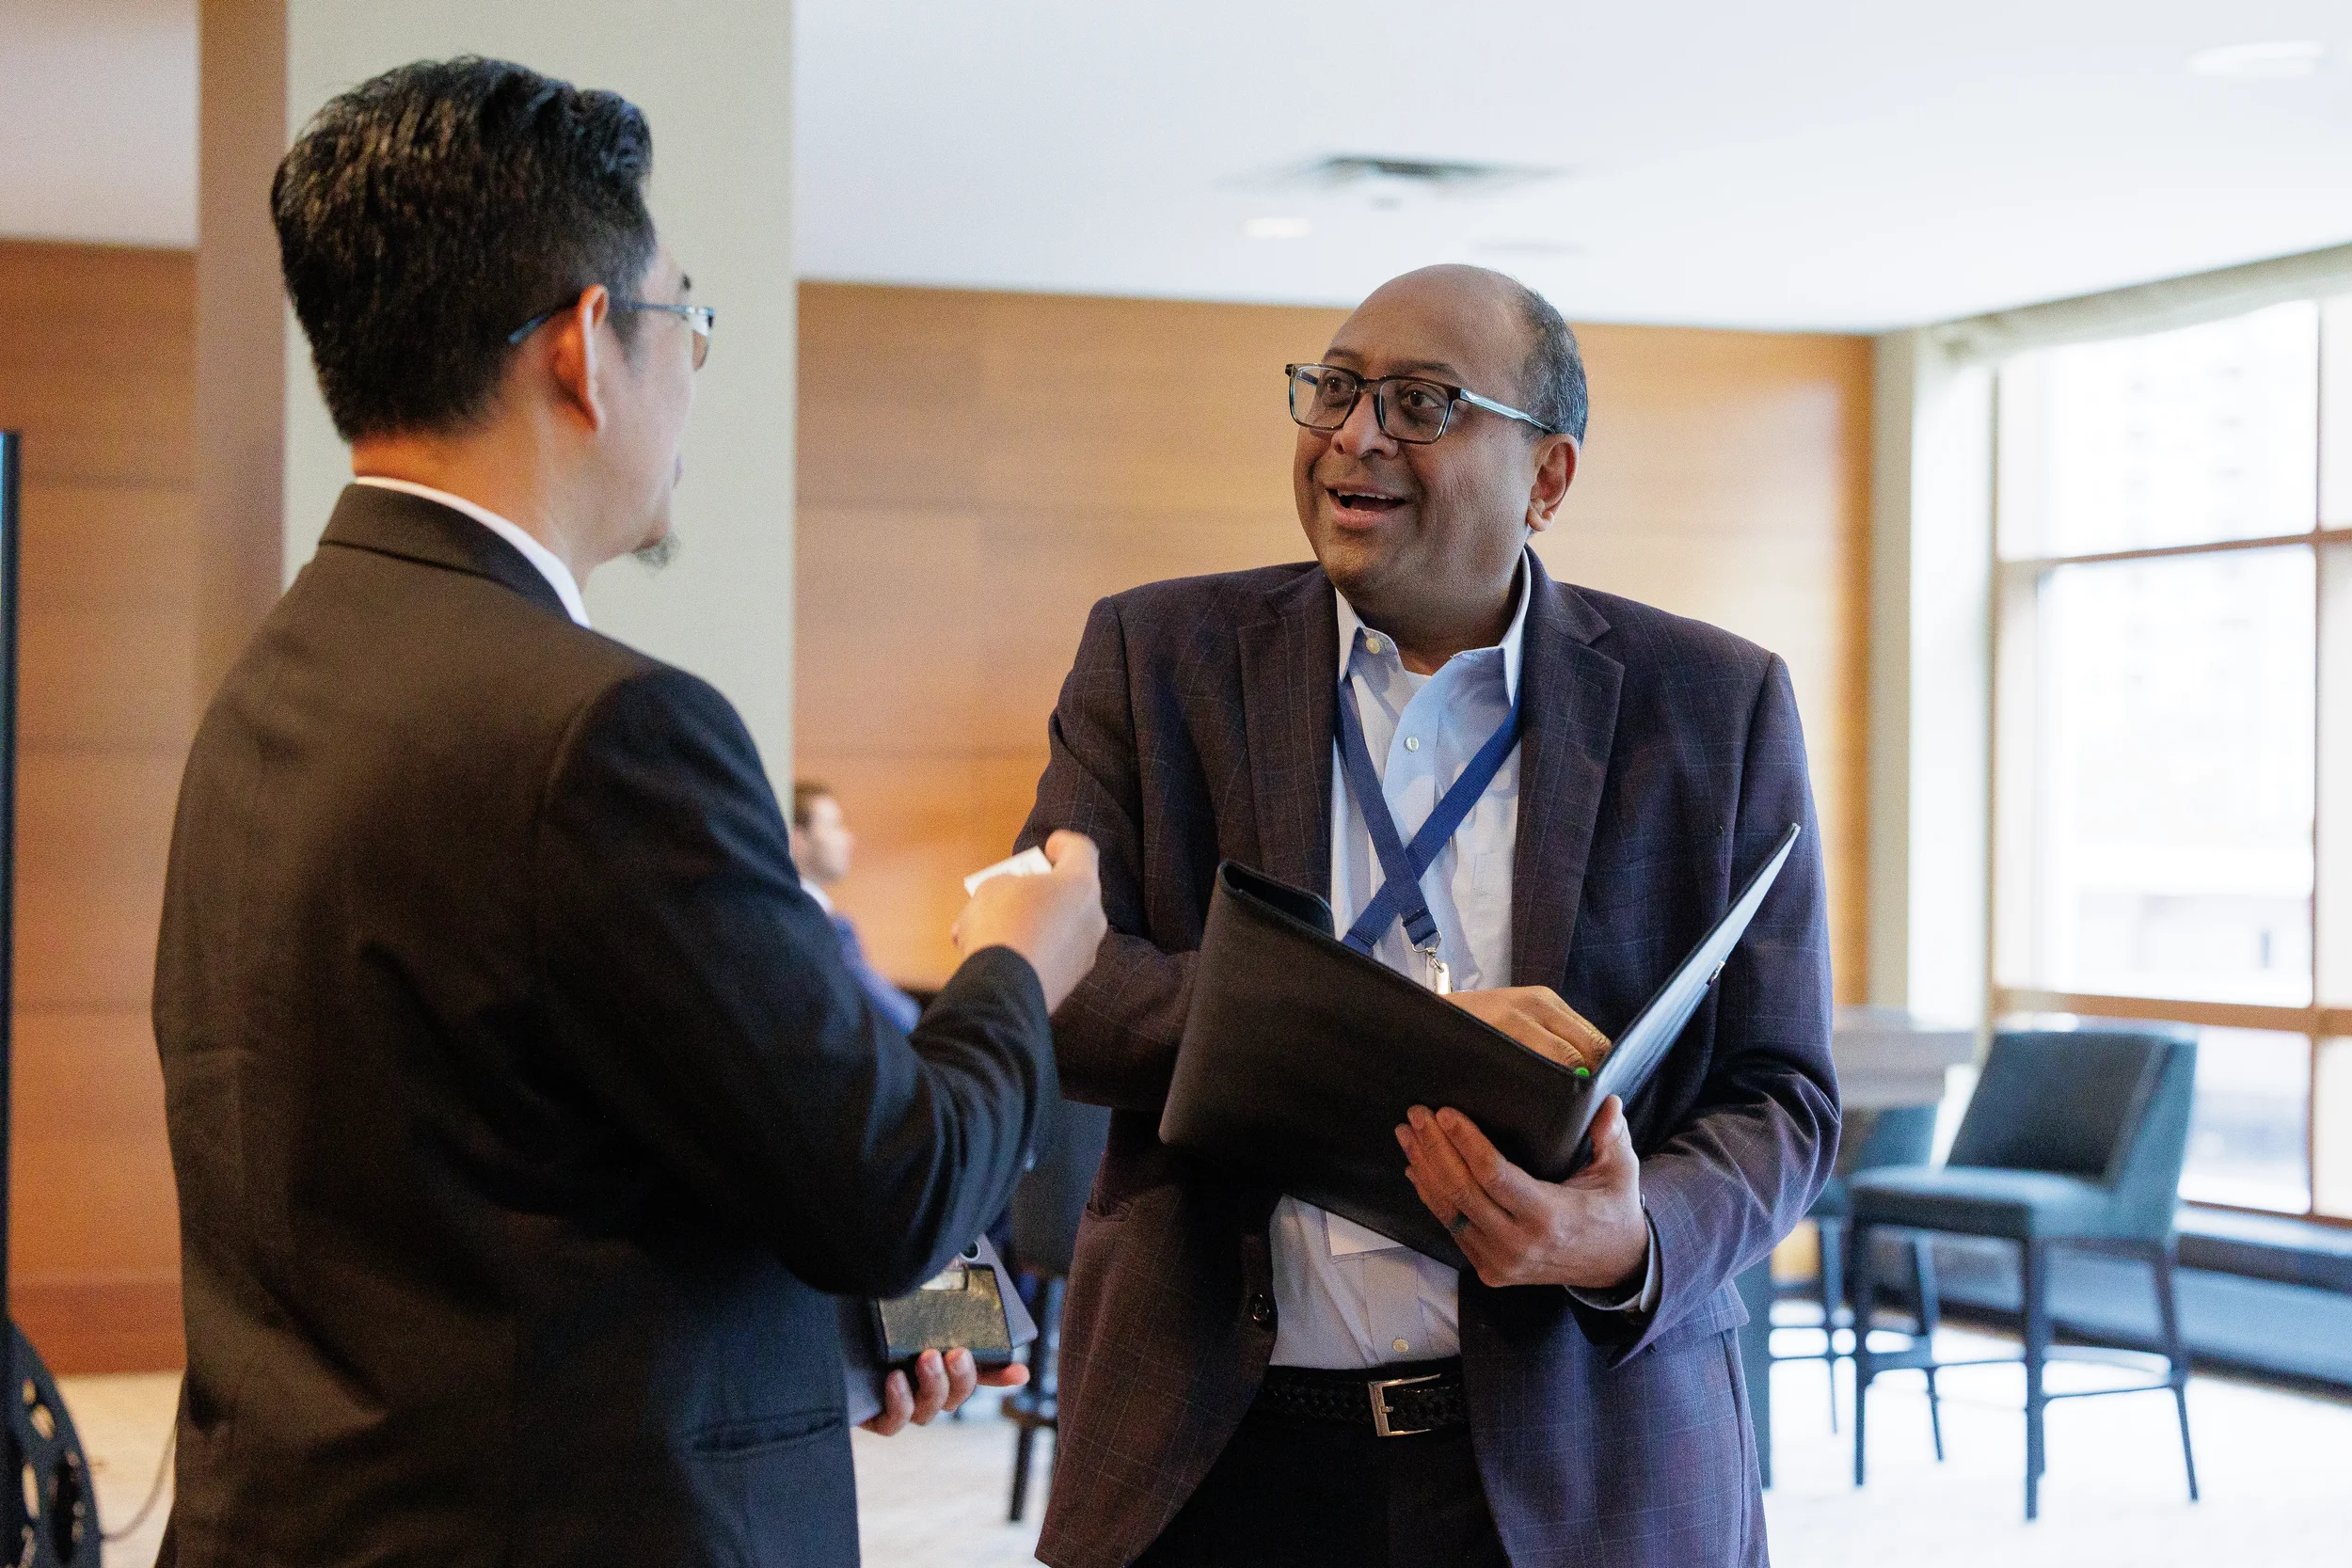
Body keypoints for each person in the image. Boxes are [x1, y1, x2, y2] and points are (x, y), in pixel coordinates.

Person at [151, 57, 1105, 1568]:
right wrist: (1017, 959)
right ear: (591, 346)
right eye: (688, 322)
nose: (691, 372)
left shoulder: (275, 681)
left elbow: (497, 1163)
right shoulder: (608, 729)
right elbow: (898, 1185)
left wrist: (835, 1317)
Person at [1018, 264, 1838, 1567]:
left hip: (1579, 1463)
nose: (1355, 436)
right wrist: (1413, 1024)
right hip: (1216, 1457)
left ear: (1548, 477)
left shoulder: (1714, 704)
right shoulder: (1158, 658)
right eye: (1336, 390)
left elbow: (1783, 1091)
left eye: (1420, 401)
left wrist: (1628, 1232)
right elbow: (1058, 986)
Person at [790, 780, 924, 1032]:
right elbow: (901, 1018)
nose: (848, 838)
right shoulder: (827, 928)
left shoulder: (784, 915)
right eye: (835, 826)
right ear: (797, 839)